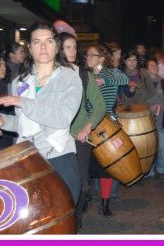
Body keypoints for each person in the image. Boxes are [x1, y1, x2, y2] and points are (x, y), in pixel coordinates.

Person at [0, 23, 83, 205]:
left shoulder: (69, 78)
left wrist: (24, 102)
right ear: (30, 49)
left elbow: (62, 118)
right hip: (27, 157)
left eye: (48, 41)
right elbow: (24, 122)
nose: (43, 46)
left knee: (62, 220)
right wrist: (2, 121)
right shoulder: (19, 82)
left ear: (56, 47)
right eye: (37, 42)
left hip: (59, 154)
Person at [59, 32, 107, 229]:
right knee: (60, 185)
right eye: (67, 47)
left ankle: (75, 222)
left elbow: (99, 105)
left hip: (79, 136)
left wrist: (88, 126)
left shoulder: (83, 74)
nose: (72, 51)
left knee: (83, 185)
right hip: (56, 138)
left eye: (74, 47)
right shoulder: (50, 73)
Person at [85, 44, 129, 218]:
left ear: (102, 58)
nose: (87, 57)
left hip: (107, 125)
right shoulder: (84, 74)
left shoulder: (111, 72)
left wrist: (106, 81)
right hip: (86, 124)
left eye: (91, 55)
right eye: (86, 54)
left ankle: (105, 203)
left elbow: (125, 80)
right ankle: (85, 198)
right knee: (86, 166)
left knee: (106, 169)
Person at [144, 59, 164, 179]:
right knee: (149, 147)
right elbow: (137, 101)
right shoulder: (142, 83)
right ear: (146, 68)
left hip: (162, 119)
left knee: (162, 146)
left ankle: (162, 170)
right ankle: (149, 171)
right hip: (147, 120)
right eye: (152, 65)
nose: (155, 67)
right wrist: (149, 107)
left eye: (156, 65)